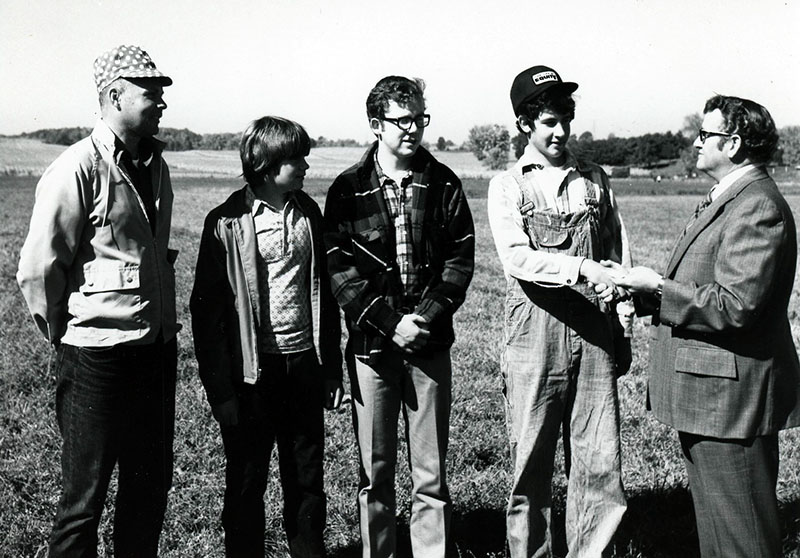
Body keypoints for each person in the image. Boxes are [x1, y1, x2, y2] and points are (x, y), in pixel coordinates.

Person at [610, 95, 800, 558]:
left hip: (730, 405)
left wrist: (657, 288)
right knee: (720, 535)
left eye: (705, 134)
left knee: (742, 539)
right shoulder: (734, 197)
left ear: (733, 143)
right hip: (713, 398)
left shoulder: (756, 206)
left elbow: (736, 305)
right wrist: (644, 293)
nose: (695, 142)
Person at [16, 45, 177, 557]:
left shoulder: (156, 166)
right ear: (114, 96)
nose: (161, 104)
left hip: (154, 351)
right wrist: (69, 336)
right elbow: (39, 269)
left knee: (148, 489)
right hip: (96, 358)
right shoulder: (76, 168)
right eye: (151, 94)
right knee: (83, 501)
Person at [323, 76, 475, 558]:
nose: (413, 128)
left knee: (430, 473)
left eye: (420, 118)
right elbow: (340, 272)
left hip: (428, 346)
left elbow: (460, 259)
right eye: (402, 120)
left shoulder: (444, 182)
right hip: (372, 350)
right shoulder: (347, 190)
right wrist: (391, 324)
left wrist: (423, 320)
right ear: (376, 125)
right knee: (376, 471)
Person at [487, 65, 632, 558]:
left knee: (598, 459)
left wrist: (623, 325)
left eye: (565, 120)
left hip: (594, 333)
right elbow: (517, 258)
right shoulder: (508, 185)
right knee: (531, 461)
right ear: (525, 124)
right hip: (533, 335)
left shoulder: (594, 182)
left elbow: (619, 254)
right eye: (549, 121)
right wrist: (582, 267)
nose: (560, 132)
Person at [190, 116, 344, 558]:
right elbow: (207, 315)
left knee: (307, 478)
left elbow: (326, 299)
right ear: (264, 162)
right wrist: (221, 390)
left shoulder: (310, 213)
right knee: (246, 479)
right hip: (251, 376)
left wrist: (329, 368)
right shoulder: (226, 222)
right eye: (297, 158)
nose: (306, 166)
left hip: (303, 366)